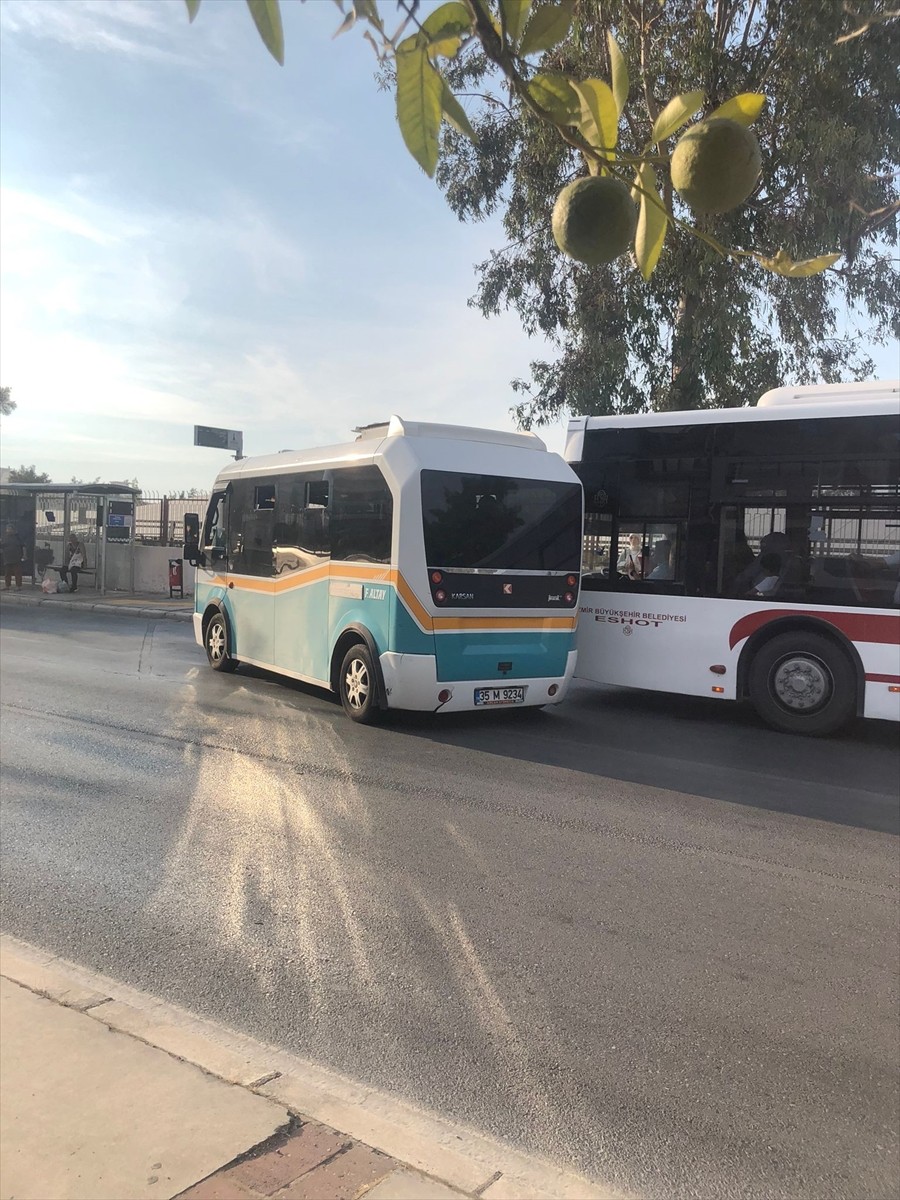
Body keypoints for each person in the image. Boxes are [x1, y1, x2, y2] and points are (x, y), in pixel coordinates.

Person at [2, 523, 25, 590]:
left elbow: (23, 546)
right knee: (7, 573)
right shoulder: (4, 537)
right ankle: (7, 586)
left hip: (16, 558)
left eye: (10, 529)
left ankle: (18, 586)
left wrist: (24, 555)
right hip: (7, 558)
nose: (8, 530)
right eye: (7, 529)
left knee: (17, 573)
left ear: (13, 530)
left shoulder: (18, 537)